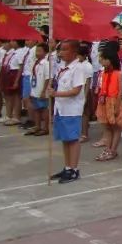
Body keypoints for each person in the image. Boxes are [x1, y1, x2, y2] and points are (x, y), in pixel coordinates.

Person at [48, 40, 88, 182]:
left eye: (65, 50)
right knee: (65, 139)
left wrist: (56, 94)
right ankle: (67, 167)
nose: (61, 53)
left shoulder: (78, 68)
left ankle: (74, 169)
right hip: (61, 109)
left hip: (71, 109)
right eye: (60, 50)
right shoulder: (62, 67)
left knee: (72, 140)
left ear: (75, 52)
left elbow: (76, 90)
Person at [94, 47, 122, 161]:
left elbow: (120, 91)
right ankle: (108, 148)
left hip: (114, 101)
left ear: (110, 60)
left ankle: (113, 150)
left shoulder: (118, 73)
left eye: (103, 59)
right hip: (104, 101)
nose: (101, 61)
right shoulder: (103, 73)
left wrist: (117, 106)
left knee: (116, 127)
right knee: (107, 127)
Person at [26, 42, 51, 137]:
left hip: (42, 90)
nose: (37, 53)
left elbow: (47, 78)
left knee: (44, 109)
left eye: (40, 51)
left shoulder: (46, 63)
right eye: (36, 51)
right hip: (35, 89)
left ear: (45, 52)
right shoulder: (36, 63)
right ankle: (37, 126)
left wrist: (44, 91)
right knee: (36, 109)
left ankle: (45, 128)